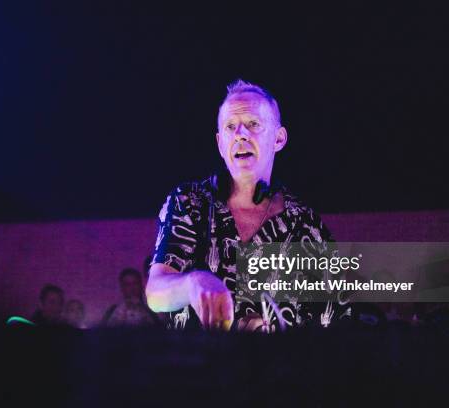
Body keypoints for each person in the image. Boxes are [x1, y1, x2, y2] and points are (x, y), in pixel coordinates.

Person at [145, 79, 350, 332]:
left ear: (279, 138)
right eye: (231, 127)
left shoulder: (307, 227)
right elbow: (155, 292)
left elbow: (338, 323)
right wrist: (193, 283)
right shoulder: (189, 201)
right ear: (221, 144)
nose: (241, 134)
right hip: (195, 368)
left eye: (253, 124)